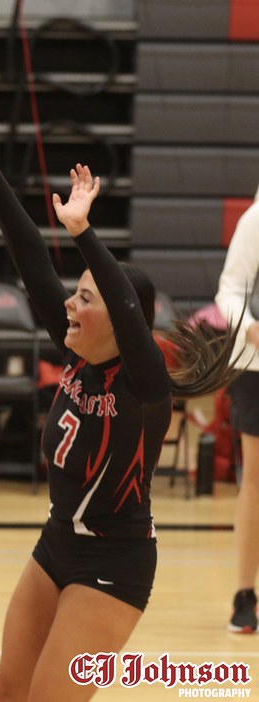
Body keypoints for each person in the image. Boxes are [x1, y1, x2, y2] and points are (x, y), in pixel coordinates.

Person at [0, 105, 241, 701]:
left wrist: (84, 233)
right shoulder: (75, 355)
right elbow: (32, 263)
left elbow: (122, 302)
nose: (70, 305)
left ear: (123, 324)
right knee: (8, 694)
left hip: (113, 563)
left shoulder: (145, 387)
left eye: (85, 298)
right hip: (56, 543)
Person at [215, 184, 259, 634]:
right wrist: (251, 330)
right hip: (258, 367)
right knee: (256, 481)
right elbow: (228, 291)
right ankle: (245, 595)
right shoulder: (256, 220)